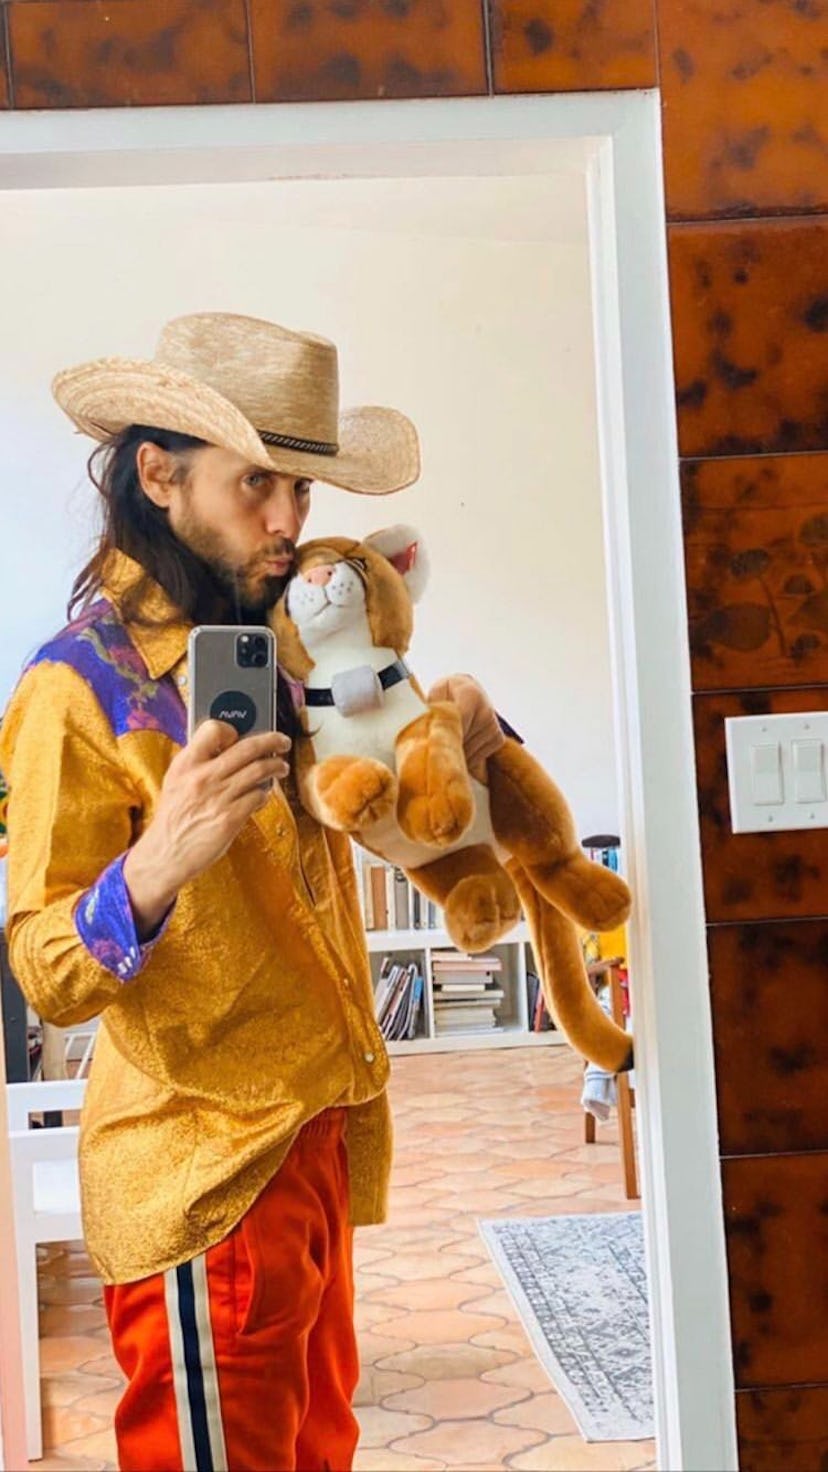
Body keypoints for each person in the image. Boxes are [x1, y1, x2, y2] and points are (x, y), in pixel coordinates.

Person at [0, 313, 504, 1472]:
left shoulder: (286, 643)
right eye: (259, 485)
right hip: (201, 1171)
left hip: (312, 1139)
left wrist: (463, 739)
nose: (289, 524)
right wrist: (157, 859)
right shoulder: (75, 688)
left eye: (303, 491)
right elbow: (42, 968)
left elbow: (402, 820)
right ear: (160, 473)